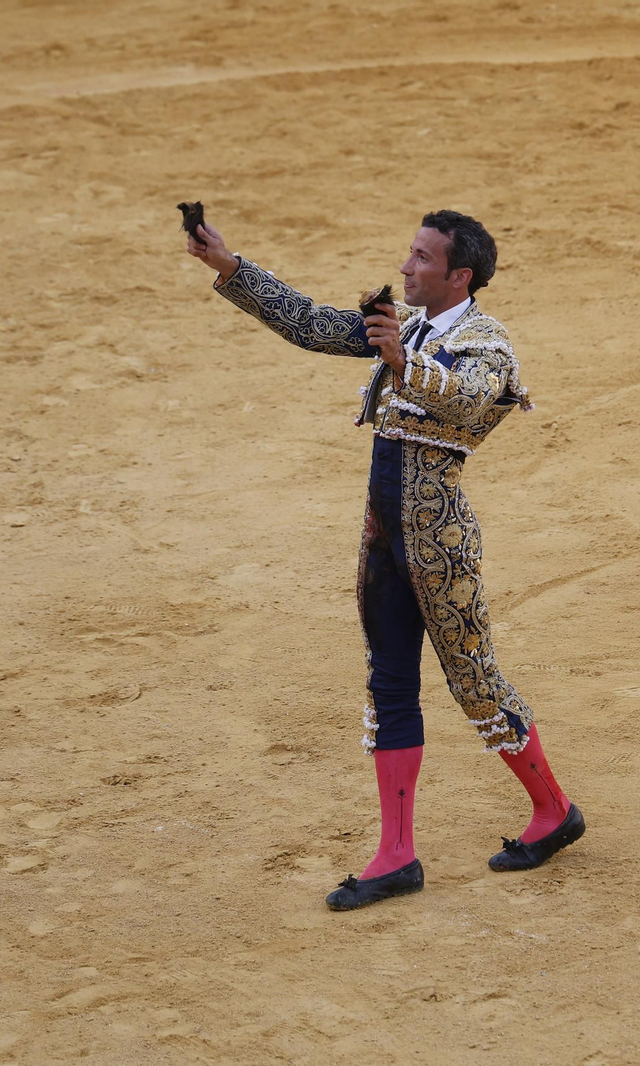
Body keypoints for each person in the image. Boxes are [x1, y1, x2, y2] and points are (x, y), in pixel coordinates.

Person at [185, 209, 585, 910]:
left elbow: (469, 399)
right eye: (410, 252)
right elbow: (312, 324)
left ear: (459, 276)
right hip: (383, 539)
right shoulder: (405, 324)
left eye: (423, 257)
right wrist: (229, 267)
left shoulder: (486, 343)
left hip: (441, 546)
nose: (406, 266)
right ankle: (396, 855)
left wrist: (404, 362)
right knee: (390, 685)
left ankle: (554, 810)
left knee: (475, 683)